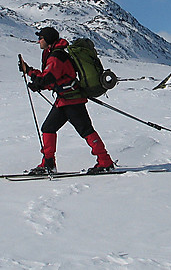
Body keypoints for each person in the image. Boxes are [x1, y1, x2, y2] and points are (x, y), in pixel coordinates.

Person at [18, 27, 115, 175]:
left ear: (48, 39)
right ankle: (48, 164)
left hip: (72, 101)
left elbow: (47, 79)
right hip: (65, 100)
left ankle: (105, 161)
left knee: (86, 131)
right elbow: (50, 78)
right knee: (49, 128)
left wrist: (35, 80)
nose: (39, 41)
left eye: (41, 38)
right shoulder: (56, 55)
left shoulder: (56, 57)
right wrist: (30, 72)